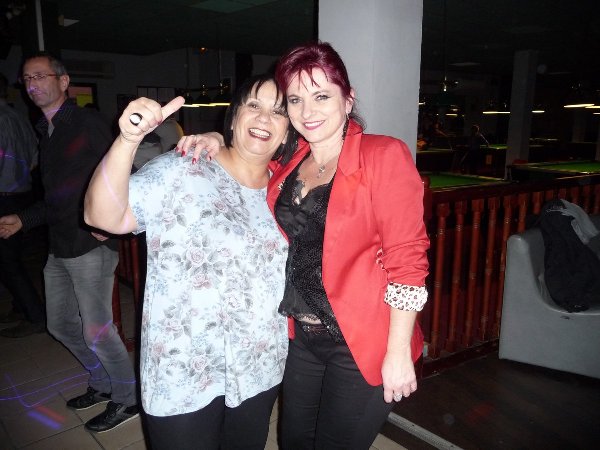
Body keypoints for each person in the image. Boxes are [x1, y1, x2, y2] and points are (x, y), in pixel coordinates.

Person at [182, 42, 430, 449]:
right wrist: (216, 138)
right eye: (296, 100)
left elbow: (408, 261)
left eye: (321, 96)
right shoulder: (292, 161)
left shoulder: (383, 155)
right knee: (293, 440)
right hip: (302, 338)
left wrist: (398, 351)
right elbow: (248, 158)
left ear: (347, 99)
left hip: (362, 340)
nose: (308, 111)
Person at [83, 74, 294, 450]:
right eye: (254, 105)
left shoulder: (289, 191)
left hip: (258, 365)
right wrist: (127, 140)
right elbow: (101, 217)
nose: (264, 118)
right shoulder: (184, 168)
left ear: (287, 131)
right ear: (233, 118)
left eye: (278, 112)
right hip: (182, 368)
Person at [0, 53, 137, 432]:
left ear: (63, 82)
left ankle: (128, 398)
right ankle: (103, 382)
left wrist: (112, 224)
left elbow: (125, 171)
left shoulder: (87, 123)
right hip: (59, 244)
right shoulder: (45, 133)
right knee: (59, 324)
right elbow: (57, 196)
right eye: (27, 78)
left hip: (90, 243)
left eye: (41, 76)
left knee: (97, 330)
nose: (32, 84)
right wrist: (23, 219)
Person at [0, 72, 46, 337]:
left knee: (8, 261)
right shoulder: (19, 116)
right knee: (12, 258)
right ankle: (21, 308)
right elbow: (36, 157)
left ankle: (34, 315)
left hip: (5, 197)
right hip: (23, 195)